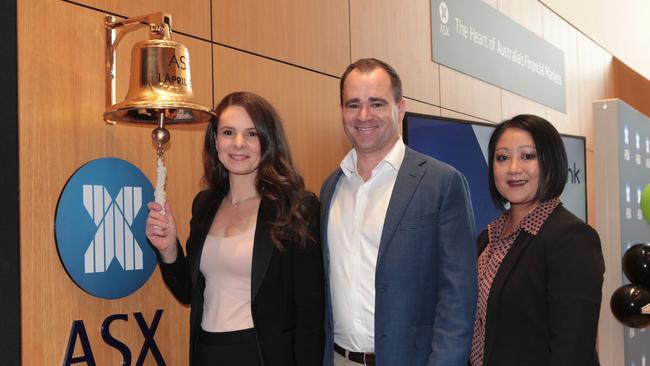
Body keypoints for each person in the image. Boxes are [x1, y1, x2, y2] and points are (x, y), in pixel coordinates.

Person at [146, 91, 324, 366]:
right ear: (215, 141)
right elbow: (187, 292)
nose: (238, 144)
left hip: (262, 355)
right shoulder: (204, 204)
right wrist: (169, 249)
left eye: (252, 134)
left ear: (268, 141)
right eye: (228, 132)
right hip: (208, 352)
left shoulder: (296, 208)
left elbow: (310, 315)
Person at [320, 58, 478, 366]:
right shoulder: (330, 188)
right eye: (353, 104)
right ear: (342, 112)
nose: (364, 115)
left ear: (400, 108)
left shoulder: (442, 183)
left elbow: (458, 297)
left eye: (376, 103)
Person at [470, 114, 605, 366]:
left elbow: (572, 350)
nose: (513, 168)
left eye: (527, 156)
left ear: (551, 162)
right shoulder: (488, 236)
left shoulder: (571, 238)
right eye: (502, 157)